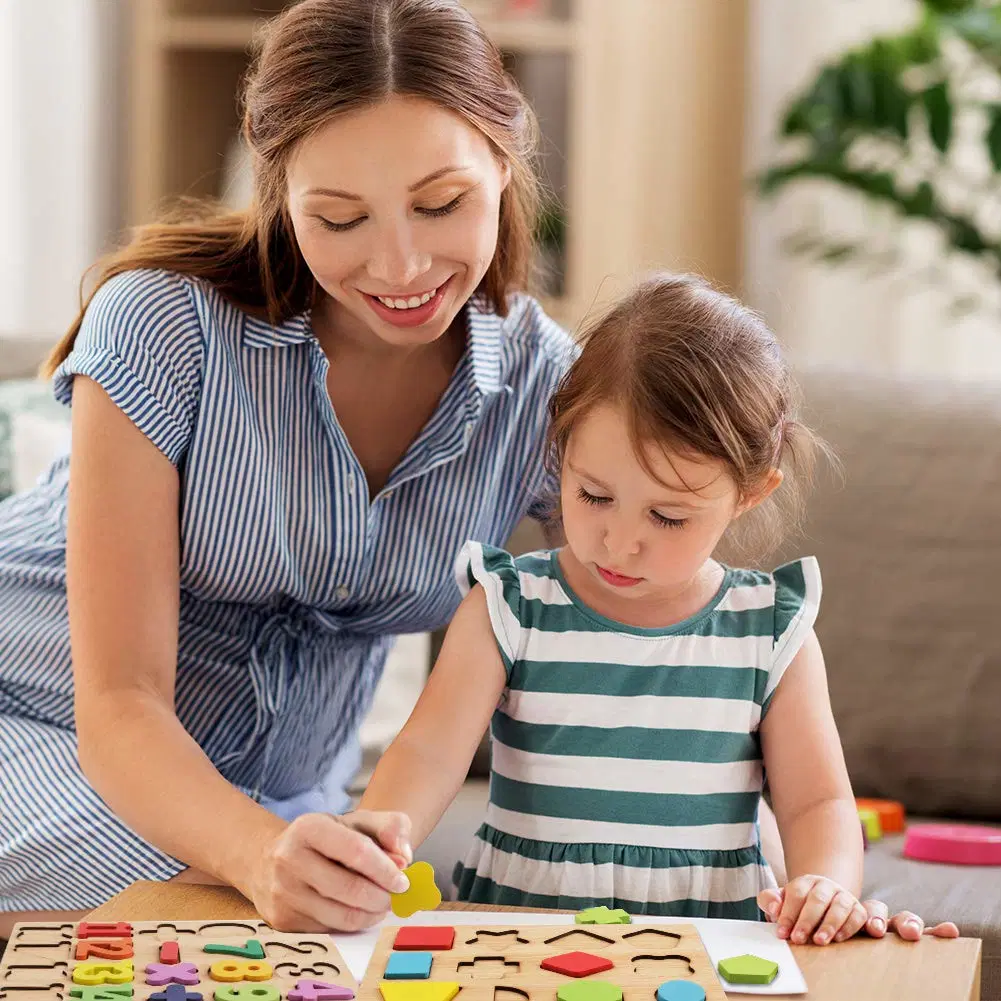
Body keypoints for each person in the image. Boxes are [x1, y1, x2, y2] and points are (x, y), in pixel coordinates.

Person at [0, 0, 954, 943]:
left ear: (504, 162)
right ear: (277, 192)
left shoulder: (545, 392)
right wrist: (257, 855)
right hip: (48, 732)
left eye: (441, 203)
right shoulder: (165, 326)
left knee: (311, 925)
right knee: (200, 915)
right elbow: (120, 705)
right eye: (339, 218)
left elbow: (654, 583)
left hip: (288, 807)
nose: (400, 262)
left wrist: (825, 888)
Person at [358, 273, 959, 946]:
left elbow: (816, 800)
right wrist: (373, 839)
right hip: (524, 930)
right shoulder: (510, 605)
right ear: (561, 447)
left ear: (748, 495)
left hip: (711, 939)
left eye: (667, 516)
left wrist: (825, 885)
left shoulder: (768, 631)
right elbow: (429, 751)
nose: (619, 541)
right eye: (591, 495)